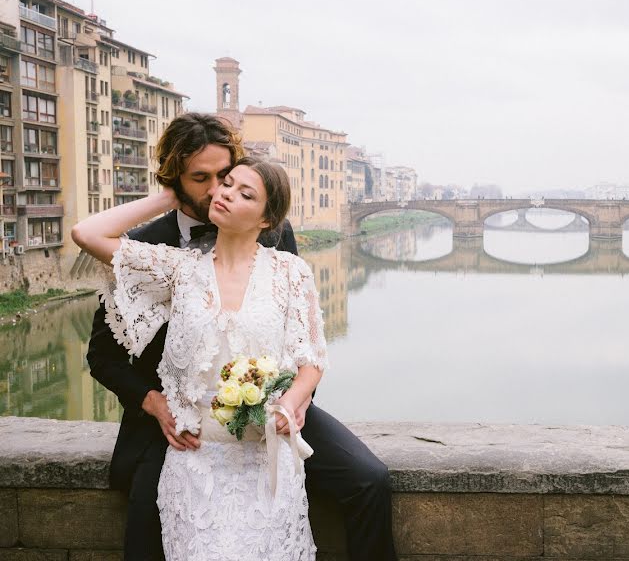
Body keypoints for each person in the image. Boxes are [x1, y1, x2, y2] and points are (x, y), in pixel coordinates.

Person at [85, 113, 396, 560]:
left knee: (370, 480)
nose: (217, 191)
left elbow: (301, 337)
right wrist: (158, 406)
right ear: (175, 180)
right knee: (146, 516)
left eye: (227, 177)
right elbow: (103, 357)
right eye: (201, 178)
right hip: (176, 418)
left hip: (268, 406)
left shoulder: (276, 238)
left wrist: (296, 402)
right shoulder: (150, 246)